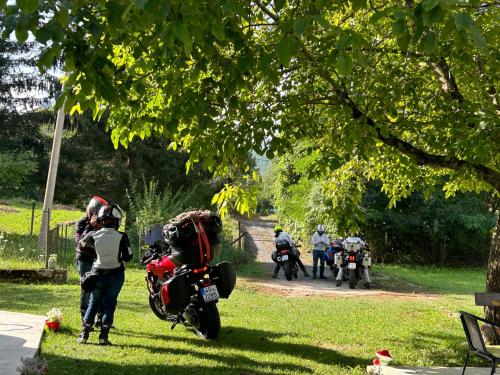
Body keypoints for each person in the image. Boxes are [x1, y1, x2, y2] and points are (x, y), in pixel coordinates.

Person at [77, 203, 133, 345]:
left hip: (97, 273)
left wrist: (96, 252)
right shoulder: (122, 236)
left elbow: (81, 245)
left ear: (101, 219)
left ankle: (84, 335)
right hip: (116, 274)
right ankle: (103, 337)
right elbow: (128, 257)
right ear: (117, 221)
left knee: (93, 303)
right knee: (110, 304)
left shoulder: (92, 235)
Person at [74, 195, 108, 321]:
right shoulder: (82, 222)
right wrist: (90, 226)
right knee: (87, 286)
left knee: (100, 286)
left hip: (98, 259)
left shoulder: (102, 223)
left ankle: (100, 318)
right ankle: (85, 318)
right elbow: (79, 241)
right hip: (84, 258)